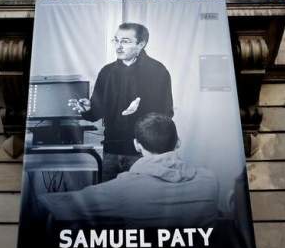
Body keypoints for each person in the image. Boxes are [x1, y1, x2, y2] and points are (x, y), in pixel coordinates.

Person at [39, 114, 219, 227]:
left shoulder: (123, 189)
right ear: (178, 142)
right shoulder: (210, 181)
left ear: (136, 145)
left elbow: (58, 206)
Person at [68, 22, 173, 181]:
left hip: (143, 153)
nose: (118, 46)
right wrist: (87, 108)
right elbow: (96, 113)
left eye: (125, 41)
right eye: (116, 40)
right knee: (109, 201)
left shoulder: (158, 71)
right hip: (111, 150)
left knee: (139, 202)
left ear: (141, 44)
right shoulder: (106, 72)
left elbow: (166, 114)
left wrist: (141, 110)